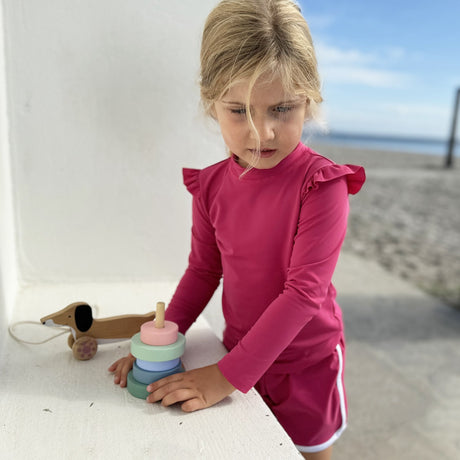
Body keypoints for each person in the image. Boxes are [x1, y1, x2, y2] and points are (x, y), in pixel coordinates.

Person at [109, 1, 365, 458]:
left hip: (305, 365)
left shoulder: (322, 185)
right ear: (212, 104)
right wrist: (158, 345)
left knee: (310, 454)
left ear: (309, 101)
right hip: (237, 352)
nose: (262, 132)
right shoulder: (210, 186)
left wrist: (223, 377)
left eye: (281, 109)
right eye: (239, 110)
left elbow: (303, 295)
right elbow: (203, 270)